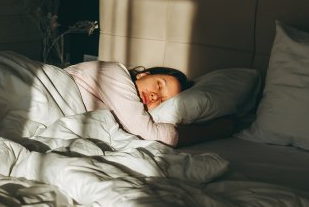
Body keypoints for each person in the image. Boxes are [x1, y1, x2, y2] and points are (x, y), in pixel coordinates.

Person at [65, 60, 234, 147]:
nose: (154, 97)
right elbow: (149, 134)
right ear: (143, 74)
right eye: (159, 84)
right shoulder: (115, 73)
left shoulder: (124, 114)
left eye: (163, 101)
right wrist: (214, 130)